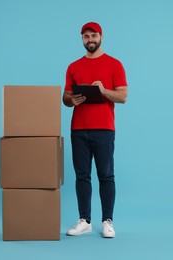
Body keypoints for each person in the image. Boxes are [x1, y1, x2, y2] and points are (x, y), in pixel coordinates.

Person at [63, 22, 128, 238]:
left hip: (104, 129)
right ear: (81, 39)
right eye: (86, 37)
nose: (90, 40)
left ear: (101, 36)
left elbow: (122, 96)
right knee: (82, 176)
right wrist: (73, 99)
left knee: (106, 176)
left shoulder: (115, 64)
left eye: (93, 36)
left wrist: (103, 91)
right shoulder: (73, 67)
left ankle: (107, 221)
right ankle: (85, 220)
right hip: (78, 129)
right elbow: (65, 98)